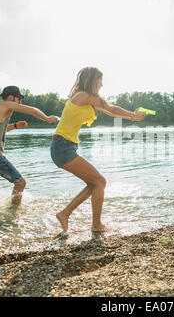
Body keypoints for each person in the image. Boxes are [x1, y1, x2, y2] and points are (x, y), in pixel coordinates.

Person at [51, 67, 146, 233]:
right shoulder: (84, 96)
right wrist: (132, 115)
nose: (102, 84)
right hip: (62, 147)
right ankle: (95, 225)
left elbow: (108, 109)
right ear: (92, 80)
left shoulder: (84, 97)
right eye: (100, 80)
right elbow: (111, 108)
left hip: (65, 146)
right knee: (100, 182)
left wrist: (131, 115)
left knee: (95, 183)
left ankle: (65, 214)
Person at [0, 86, 59, 207]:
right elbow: (33, 111)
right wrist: (47, 118)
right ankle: (13, 213)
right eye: (19, 98)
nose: (20, 102)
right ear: (10, 97)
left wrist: (15, 126)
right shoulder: (6, 104)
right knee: (20, 183)